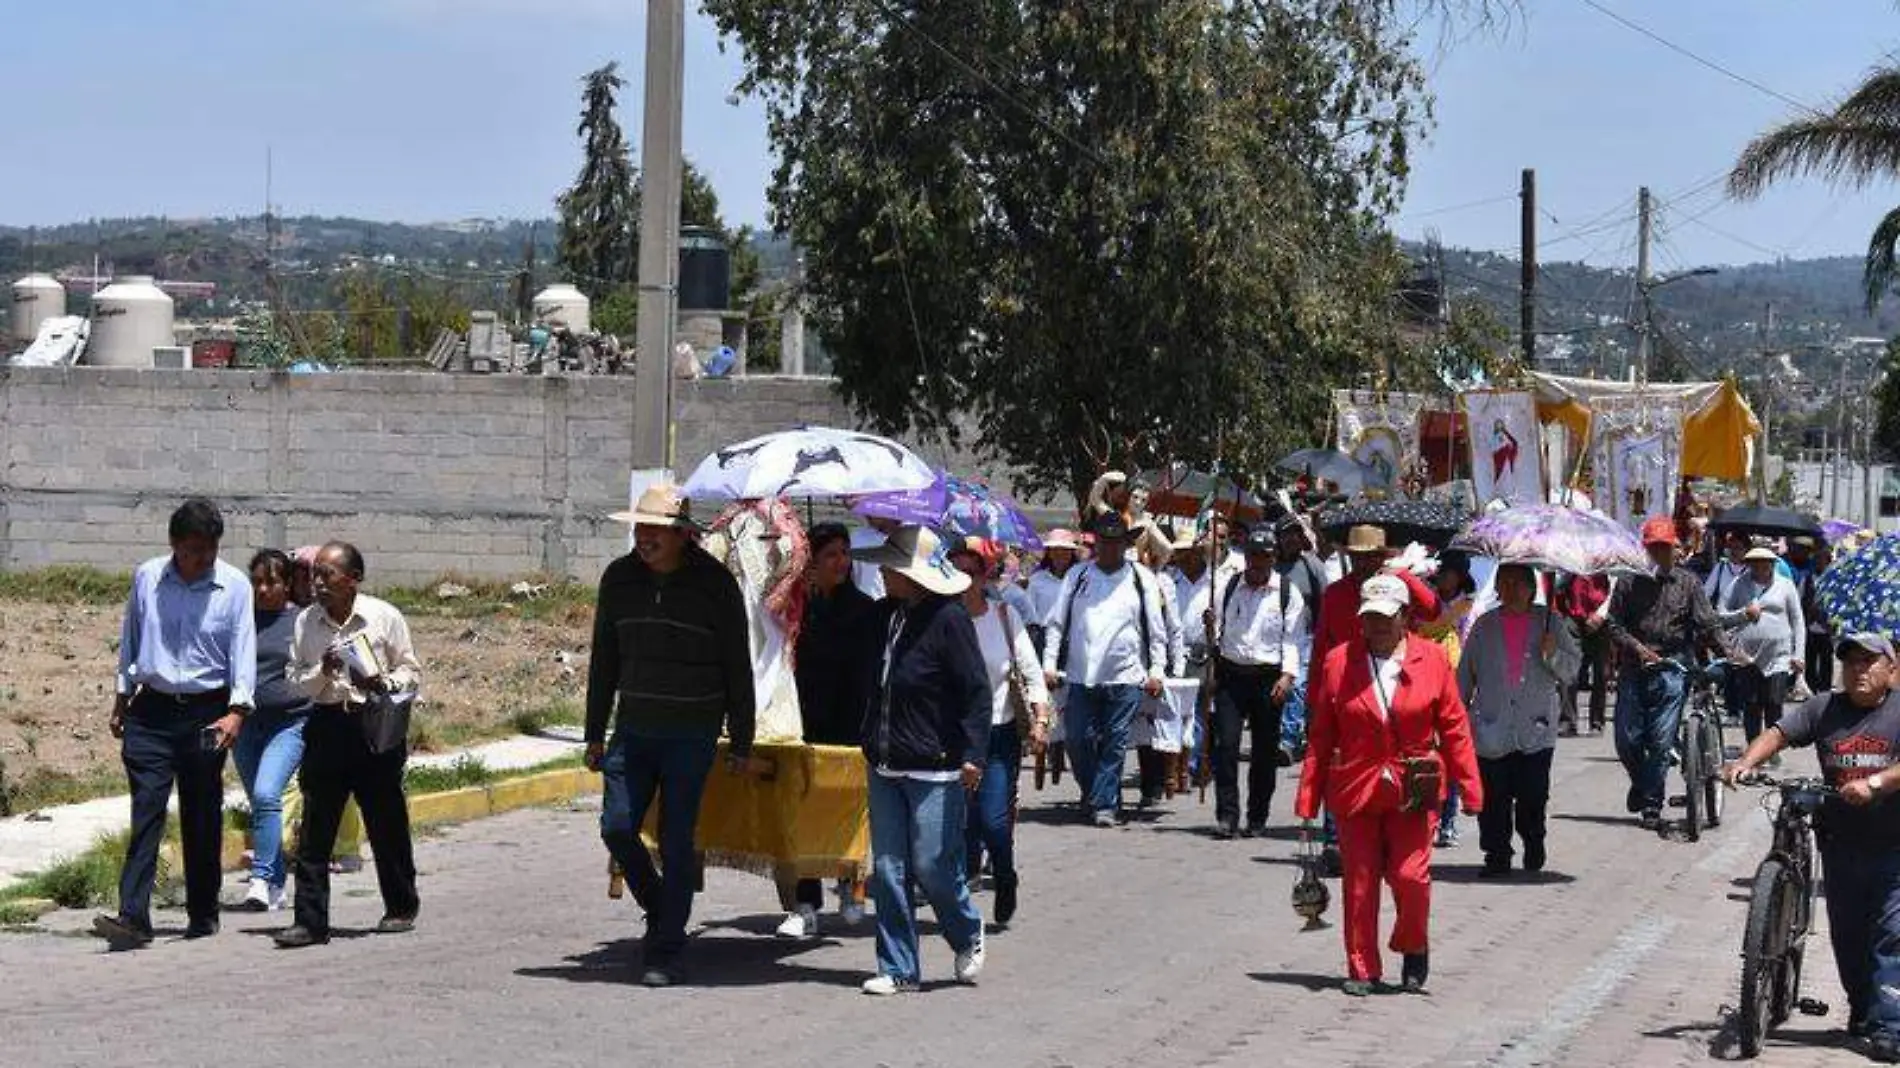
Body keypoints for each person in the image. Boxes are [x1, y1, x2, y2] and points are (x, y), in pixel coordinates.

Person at [579, 484, 755, 986]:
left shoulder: (715, 585)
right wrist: (594, 731)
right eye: (639, 527)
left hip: (691, 733)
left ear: (682, 535)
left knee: (678, 840)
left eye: (655, 529)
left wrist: (742, 738)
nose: (644, 537)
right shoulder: (619, 579)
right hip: (633, 730)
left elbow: (736, 667)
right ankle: (660, 905)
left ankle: (665, 949)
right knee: (616, 827)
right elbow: (605, 659)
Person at [1294, 575, 1482, 996]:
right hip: (1355, 784)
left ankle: (1414, 944)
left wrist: (1470, 787)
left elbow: (1454, 727)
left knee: (1410, 877)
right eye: (1368, 619)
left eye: (1384, 619)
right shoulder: (1339, 661)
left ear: (1405, 618)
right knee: (1359, 881)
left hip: (1412, 784)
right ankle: (1362, 968)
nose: (1375, 627)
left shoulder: (1432, 659)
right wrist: (1308, 793)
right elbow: (1322, 733)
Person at [1722, 634, 1900, 1060]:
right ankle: (1864, 1008)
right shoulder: (1824, 707)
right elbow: (1780, 732)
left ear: (1891, 671)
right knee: (1849, 934)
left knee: (1890, 935)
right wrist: (1747, 762)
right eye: (1851, 662)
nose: (1859, 670)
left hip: (1894, 846)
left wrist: (1876, 783)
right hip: (1839, 843)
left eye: (1869, 661)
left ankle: (1891, 1025)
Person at [93, 499, 258, 948]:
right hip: (151, 710)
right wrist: (121, 697)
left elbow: (243, 649)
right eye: (192, 549)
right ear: (173, 544)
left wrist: (238, 711)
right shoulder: (148, 577)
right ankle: (133, 916)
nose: (201, 558)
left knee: (201, 814)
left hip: (208, 711)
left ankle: (203, 911)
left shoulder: (234, 586)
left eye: (208, 549)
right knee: (146, 810)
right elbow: (131, 637)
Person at [851, 525, 992, 995]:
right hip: (885, 762)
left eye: (892, 566)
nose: (884, 573)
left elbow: (976, 691)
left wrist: (974, 753)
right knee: (889, 869)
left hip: (935, 764)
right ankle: (897, 967)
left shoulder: (949, 620)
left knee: (932, 864)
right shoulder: (882, 616)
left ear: (911, 574)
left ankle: (967, 931)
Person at [273, 542, 423, 950]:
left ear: (353, 579)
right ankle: (309, 921)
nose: (318, 583)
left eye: (328, 575)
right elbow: (294, 676)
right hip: (327, 726)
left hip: (375, 725)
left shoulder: (383, 617)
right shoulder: (307, 622)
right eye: (314, 574)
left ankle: (400, 905)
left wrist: (381, 683)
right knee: (316, 827)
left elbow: (410, 669)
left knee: (386, 820)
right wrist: (322, 673)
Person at [1603, 516, 1735, 830]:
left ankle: (1652, 804)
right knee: (1627, 740)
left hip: (1673, 668)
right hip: (1635, 668)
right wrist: (1637, 649)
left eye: (1665, 548)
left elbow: (1708, 623)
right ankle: (1642, 782)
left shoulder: (1688, 583)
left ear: (1675, 548)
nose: (1660, 554)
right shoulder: (1628, 582)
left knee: (1661, 741)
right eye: (1654, 548)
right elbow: (1613, 624)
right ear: (1645, 549)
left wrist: (1728, 653)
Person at [948, 538, 1051, 927]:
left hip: (997, 733)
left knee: (993, 820)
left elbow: (1030, 671)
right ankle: (963, 890)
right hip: (953, 737)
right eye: (953, 571)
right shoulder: (941, 619)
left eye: (969, 572)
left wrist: (1040, 719)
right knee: (962, 822)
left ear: (984, 576)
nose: (961, 580)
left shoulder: (1005, 616)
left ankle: (1004, 875)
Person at [1041, 514, 1168, 827]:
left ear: (1125, 544)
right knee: (1076, 739)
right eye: (1103, 541)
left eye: (1115, 542)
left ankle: (1105, 805)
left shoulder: (1141, 578)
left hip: (1126, 675)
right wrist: (1049, 663)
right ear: (1095, 543)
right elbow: (1057, 623)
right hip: (1081, 674)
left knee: (1115, 741)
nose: (1109, 548)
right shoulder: (1077, 576)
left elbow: (1155, 628)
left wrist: (1157, 669)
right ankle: (1096, 792)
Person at [781, 522, 876, 939]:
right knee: (802, 816)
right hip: (805, 725)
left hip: (852, 727)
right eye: (831, 554)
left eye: (844, 553)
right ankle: (805, 904)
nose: (841, 562)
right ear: (811, 563)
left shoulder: (865, 608)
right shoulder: (798, 608)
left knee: (846, 814)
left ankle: (851, 888)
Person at [1457, 565, 1581, 877]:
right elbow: (1464, 677)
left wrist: (1552, 654)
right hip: (1491, 725)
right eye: (1504, 583)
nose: (1510, 589)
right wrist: (1457, 713)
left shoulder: (1549, 623)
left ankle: (1534, 839)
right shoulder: (1485, 626)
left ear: (1531, 588)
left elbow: (1571, 672)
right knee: (1493, 796)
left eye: (1518, 583)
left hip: (1535, 728)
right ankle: (1497, 854)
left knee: (1533, 794)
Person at [1204, 526, 1309, 839]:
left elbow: (1293, 640)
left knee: (1264, 752)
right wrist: (1210, 627)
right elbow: (1217, 631)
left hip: (1268, 677)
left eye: (1264, 557)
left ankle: (1257, 815)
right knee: (1226, 746)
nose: (1257, 563)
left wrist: (1288, 676)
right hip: (1231, 674)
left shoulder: (1288, 594)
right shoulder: (1229, 585)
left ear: (1273, 558)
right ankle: (1227, 815)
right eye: (1252, 556)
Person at [233, 549, 311, 912]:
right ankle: (277, 884)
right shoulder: (241, 619)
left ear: (288, 583)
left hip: (290, 722)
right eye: (257, 582)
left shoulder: (302, 621)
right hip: (246, 723)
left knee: (267, 794)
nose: (263, 589)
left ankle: (261, 879)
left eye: (272, 582)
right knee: (260, 802)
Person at [1715, 545, 1805, 745]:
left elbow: (1798, 621)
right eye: (1756, 565)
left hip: (1778, 655)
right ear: (1749, 565)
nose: (1761, 569)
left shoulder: (1785, 585)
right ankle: (1753, 748)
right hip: (1747, 655)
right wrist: (1743, 614)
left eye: (1765, 565)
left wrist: (1799, 654)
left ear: (1773, 565)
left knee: (1774, 703)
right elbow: (1720, 615)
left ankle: (1772, 746)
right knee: (1752, 704)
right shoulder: (1739, 584)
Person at [1556, 572, 1615, 737]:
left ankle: (1597, 722)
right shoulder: (1572, 555)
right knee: (1568, 672)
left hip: (1601, 620)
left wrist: (1601, 615)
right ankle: (1568, 721)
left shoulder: (1611, 557)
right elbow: (1558, 587)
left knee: (1601, 674)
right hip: (1574, 618)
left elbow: (1616, 587)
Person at [1027, 530, 1082, 648]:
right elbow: (1030, 613)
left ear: (1071, 553)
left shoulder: (1081, 579)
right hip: (1043, 637)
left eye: (1064, 551)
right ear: (1049, 553)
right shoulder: (1037, 580)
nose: (1060, 555)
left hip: (1073, 638)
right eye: (1055, 551)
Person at [1797, 539, 1835, 694]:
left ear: (1828, 560)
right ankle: (1811, 690)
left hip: (1827, 627)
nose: (1819, 562)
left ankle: (1825, 690)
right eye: (1816, 559)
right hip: (1810, 626)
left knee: (1826, 660)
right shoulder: (1806, 579)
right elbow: (1799, 599)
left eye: (1822, 559)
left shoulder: (1833, 579)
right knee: (1810, 660)